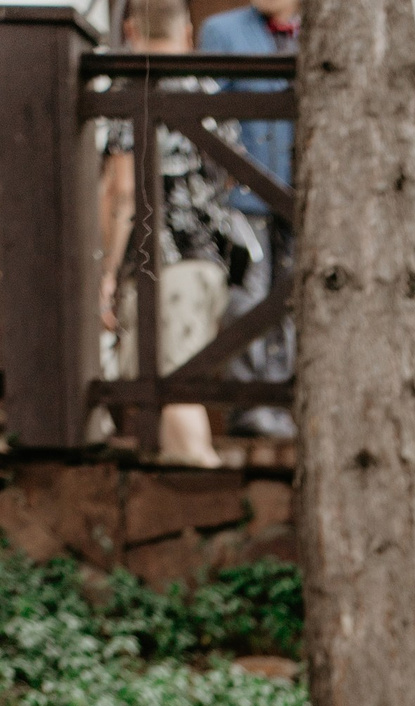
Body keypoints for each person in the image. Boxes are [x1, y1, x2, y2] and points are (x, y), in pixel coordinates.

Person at [98, 0, 234, 466]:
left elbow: (123, 193)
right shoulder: (209, 89)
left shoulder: (131, 89)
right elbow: (230, 178)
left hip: (161, 262)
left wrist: (107, 271)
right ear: (187, 32)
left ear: (131, 31)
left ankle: (205, 479)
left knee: (174, 388)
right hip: (210, 261)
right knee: (177, 382)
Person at [199, 0, 299, 440]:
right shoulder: (221, 30)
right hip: (242, 197)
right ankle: (250, 406)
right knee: (247, 299)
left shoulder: (319, 32)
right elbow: (204, 111)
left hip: (301, 199)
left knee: (291, 301)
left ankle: (282, 404)